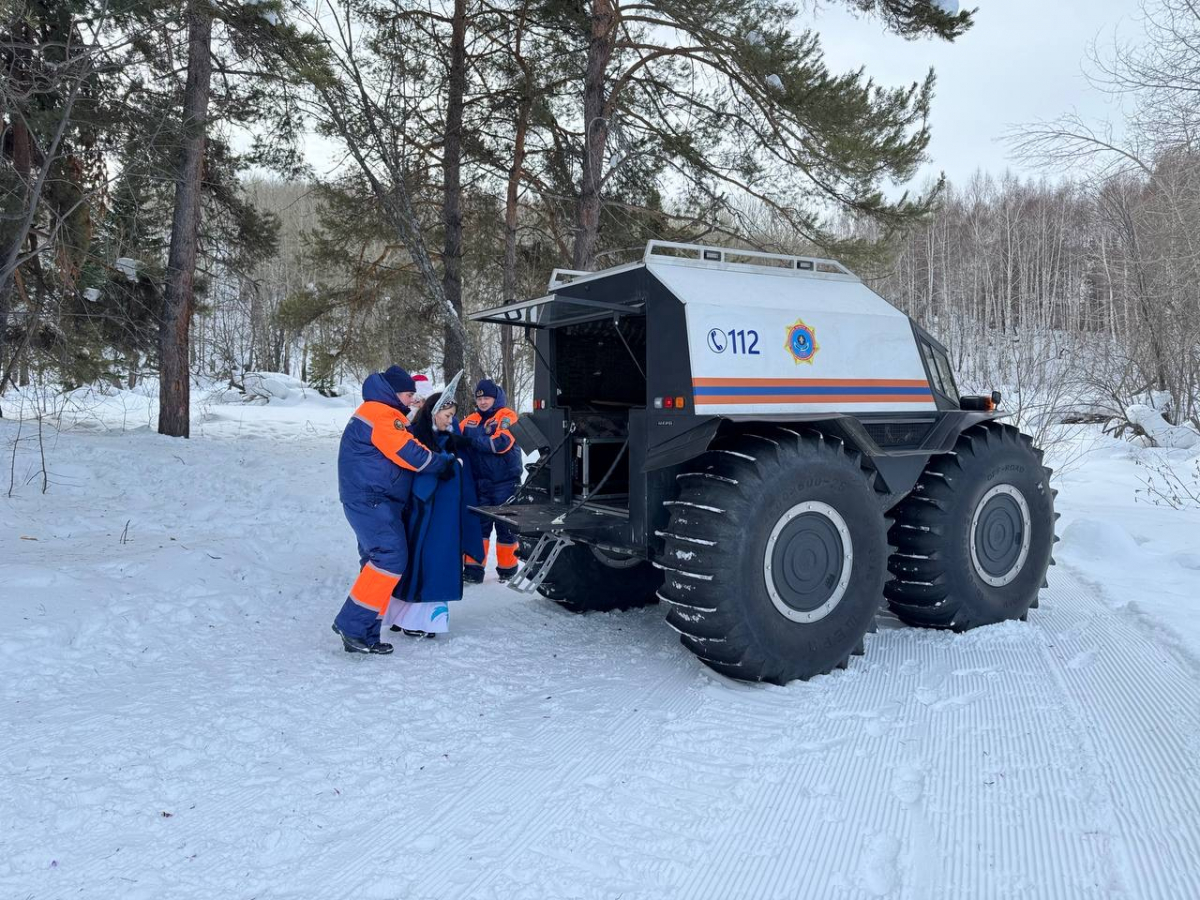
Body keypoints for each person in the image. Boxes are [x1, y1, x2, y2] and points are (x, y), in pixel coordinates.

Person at [331, 366, 453, 654]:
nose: (412, 399)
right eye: (409, 393)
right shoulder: (381, 414)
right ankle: (352, 625)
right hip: (373, 499)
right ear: (393, 391)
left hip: (369, 498)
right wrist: (440, 463)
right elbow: (409, 452)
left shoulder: (377, 411)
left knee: (375, 563)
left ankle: (364, 634)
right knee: (390, 557)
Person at [383, 391, 485, 637]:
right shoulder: (418, 438)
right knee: (426, 561)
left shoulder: (440, 437)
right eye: (448, 415)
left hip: (440, 515)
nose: (450, 421)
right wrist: (448, 465)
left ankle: (417, 619)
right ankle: (414, 619)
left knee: (433, 561)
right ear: (434, 412)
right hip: (426, 513)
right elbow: (420, 472)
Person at [459, 379, 522, 583]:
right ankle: (473, 571)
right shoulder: (470, 420)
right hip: (481, 484)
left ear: (495, 398)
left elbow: (500, 443)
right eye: (479, 398)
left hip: (505, 483)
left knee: (506, 528)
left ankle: (508, 569)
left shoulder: (507, 416)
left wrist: (469, 441)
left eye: (486, 397)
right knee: (478, 528)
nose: (483, 402)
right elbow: (453, 433)